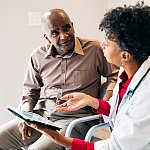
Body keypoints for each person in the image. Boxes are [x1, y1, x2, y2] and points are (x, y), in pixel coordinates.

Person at [28, 2, 150, 150]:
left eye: (107, 42)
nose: (102, 44)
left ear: (124, 55)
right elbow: (117, 109)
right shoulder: (126, 74)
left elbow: (114, 146)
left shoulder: (145, 95)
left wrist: (62, 140)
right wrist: (91, 101)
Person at [0, 9, 117, 150]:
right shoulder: (38, 56)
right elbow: (30, 91)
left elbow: (114, 76)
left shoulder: (94, 49)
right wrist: (25, 115)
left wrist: (103, 104)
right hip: (42, 115)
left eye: (67, 27)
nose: (64, 36)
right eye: (55, 32)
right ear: (47, 37)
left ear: (72, 25)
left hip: (76, 118)